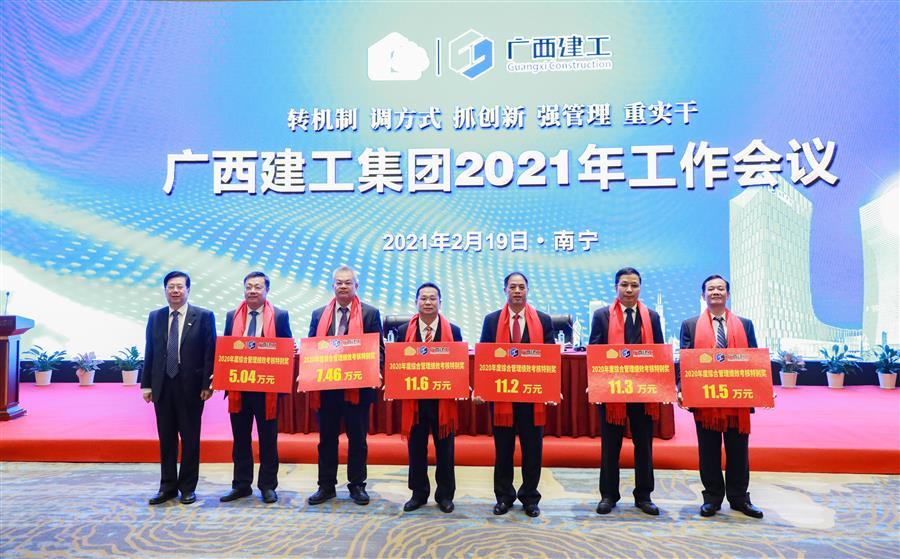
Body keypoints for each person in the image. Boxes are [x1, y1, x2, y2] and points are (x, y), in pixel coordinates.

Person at [679, 275, 764, 519]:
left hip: (737, 399)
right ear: (703, 295)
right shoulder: (690, 325)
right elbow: (684, 361)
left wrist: (762, 388)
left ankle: (739, 498)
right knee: (708, 451)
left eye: (720, 288)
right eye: (711, 289)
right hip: (705, 399)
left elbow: (754, 359)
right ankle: (712, 498)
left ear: (728, 294)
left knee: (739, 451)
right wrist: (682, 388)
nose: (716, 292)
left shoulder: (745, 324)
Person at [306, 265, 385, 506]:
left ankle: (357, 485)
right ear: (333, 286)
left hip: (358, 390)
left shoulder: (370, 313)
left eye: (348, 282)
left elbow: (379, 348)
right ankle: (326, 486)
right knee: (326, 440)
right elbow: (311, 348)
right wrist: (305, 373)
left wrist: (378, 370)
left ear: (356, 286)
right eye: (339, 282)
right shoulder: (319, 314)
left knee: (357, 440)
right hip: (327, 389)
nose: (343, 286)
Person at [590, 267, 665, 516]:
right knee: (610, 447)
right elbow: (595, 351)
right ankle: (608, 495)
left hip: (643, 392)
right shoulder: (602, 316)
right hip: (613, 392)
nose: (629, 290)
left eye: (634, 285)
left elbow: (659, 353)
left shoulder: (652, 317)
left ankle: (644, 496)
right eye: (624, 285)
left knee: (644, 446)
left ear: (640, 287)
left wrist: (662, 385)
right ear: (616, 287)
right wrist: (596, 383)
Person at [479, 272, 554, 518]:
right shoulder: (491, 321)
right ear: (505, 290)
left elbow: (551, 359)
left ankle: (530, 498)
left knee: (533, 451)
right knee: (503, 451)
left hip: (532, 398)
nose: (517, 291)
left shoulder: (543, 320)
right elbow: (484, 358)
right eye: (513, 287)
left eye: (521, 287)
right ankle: (504, 497)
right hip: (502, 397)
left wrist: (552, 387)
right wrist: (482, 388)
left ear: (528, 290)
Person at [141, 271, 216, 505]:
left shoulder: (203, 316)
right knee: (166, 439)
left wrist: (207, 384)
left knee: (190, 438)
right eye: (171, 287)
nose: (175, 291)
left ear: (188, 290)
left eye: (180, 287)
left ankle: (188, 487)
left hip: (191, 387)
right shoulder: (155, 316)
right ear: (165, 290)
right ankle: (167, 487)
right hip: (162, 385)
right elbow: (150, 351)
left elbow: (210, 352)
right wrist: (146, 384)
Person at [220, 272, 293, 505]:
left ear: (266, 290)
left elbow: (287, 348)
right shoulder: (232, 316)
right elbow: (226, 349)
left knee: (268, 440)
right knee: (240, 439)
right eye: (249, 286)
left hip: (267, 390)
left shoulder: (280, 316)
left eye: (258, 287)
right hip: (239, 389)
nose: (252, 291)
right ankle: (241, 485)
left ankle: (268, 485)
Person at [396, 282, 463, 514]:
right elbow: (397, 364)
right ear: (416, 302)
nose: (427, 302)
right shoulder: (403, 331)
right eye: (423, 298)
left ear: (440, 303)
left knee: (445, 451)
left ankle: (445, 495)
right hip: (415, 401)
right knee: (416, 449)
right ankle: (418, 493)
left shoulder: (453, 330)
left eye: (432, 298)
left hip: (442, 401)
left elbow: (459, 364)